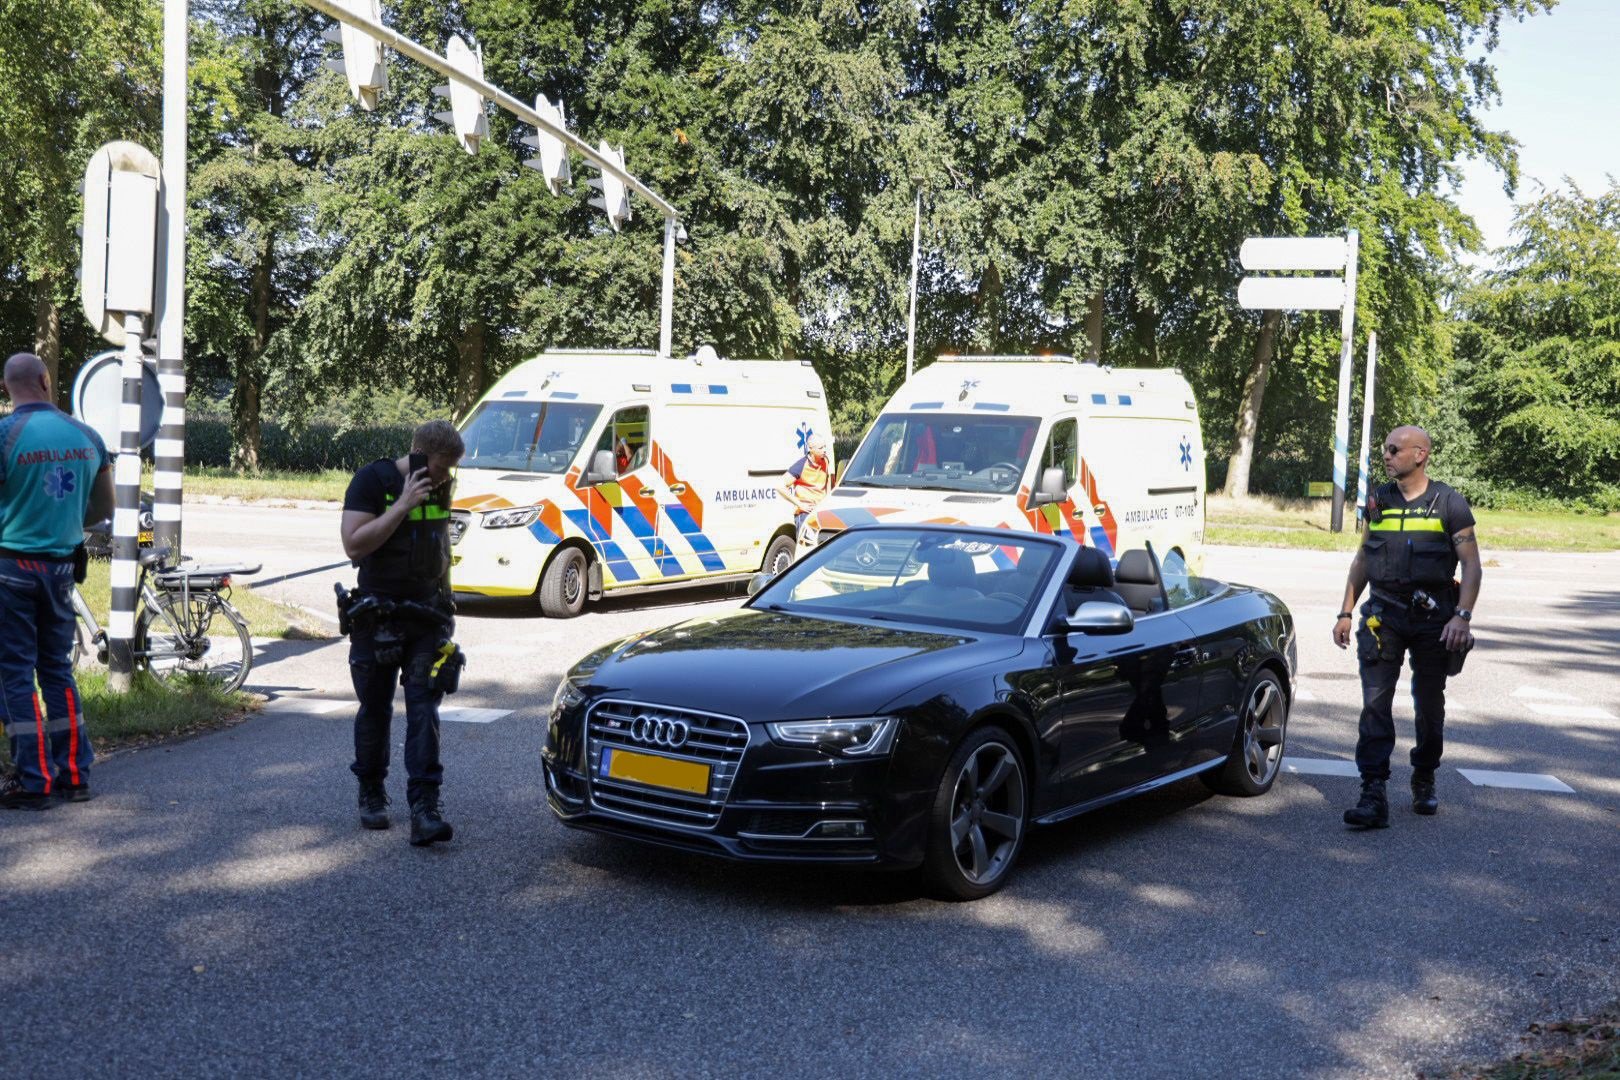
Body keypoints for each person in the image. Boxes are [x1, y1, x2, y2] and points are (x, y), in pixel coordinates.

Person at [1333, 425, 1482, 828]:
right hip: (1384, 615)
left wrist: (1461, 617)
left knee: (1429, 705)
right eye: (1385, 448)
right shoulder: (1378, 499)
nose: (1387, 454)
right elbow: (1364, 555)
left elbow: (1471, 565)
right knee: (1375, 703)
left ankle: (1424, 774)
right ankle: (1373, 792)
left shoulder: (1449, 503)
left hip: (1436, 617)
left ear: (1421, 454)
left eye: (1395, 449)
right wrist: (1346, 611)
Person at [339, 419, 465, 845]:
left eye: (450, 471)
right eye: (442, 467)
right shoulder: (371, 481)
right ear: (420, 456)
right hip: (378, 617)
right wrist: (401, 506)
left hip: (427, 617)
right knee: (375, 708)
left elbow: (441, 543)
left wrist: (448, 606)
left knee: (424, 710)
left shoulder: (439, 486)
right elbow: (353, 545)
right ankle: (371, 791)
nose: (446, 477)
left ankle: (425, 809)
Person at [0, 352, 114, 810]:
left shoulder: (6, 435)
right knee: (57, 670)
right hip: (63, 570)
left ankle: (34, 779)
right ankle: (74, 775)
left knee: (14, 675)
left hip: (12, 570)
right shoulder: (87, 436)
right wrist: (63, 520)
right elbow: (103, 508)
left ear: (8, 387)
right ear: (47, 381)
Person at [777, 433, 833, 537]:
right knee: (807, 549)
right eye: (820, 448)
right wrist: (800, 504)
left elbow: (828, 478)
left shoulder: (825, 460)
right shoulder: (801, 465)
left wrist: (828, 500)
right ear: (811, 449)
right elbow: (779, 486)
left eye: (825, 446)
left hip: (821, 512)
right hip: (805, 515)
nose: (824, 450)